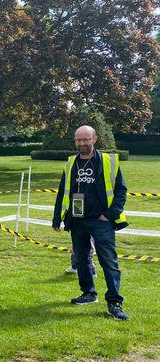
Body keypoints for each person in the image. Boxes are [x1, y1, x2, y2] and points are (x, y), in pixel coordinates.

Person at [52, 125, 129, 320]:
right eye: (78, 140)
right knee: (81, 259)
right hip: (78, 220)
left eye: (86, 139)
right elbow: (63, 192)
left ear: (95, 139)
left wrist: (111, 214)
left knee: (108, 261)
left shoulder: (107, 161)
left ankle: (114, 302)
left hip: (101, 220)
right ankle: (88, 293)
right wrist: (56, 218)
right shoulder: (71, 163)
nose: (82, 143)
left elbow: (120, 190)